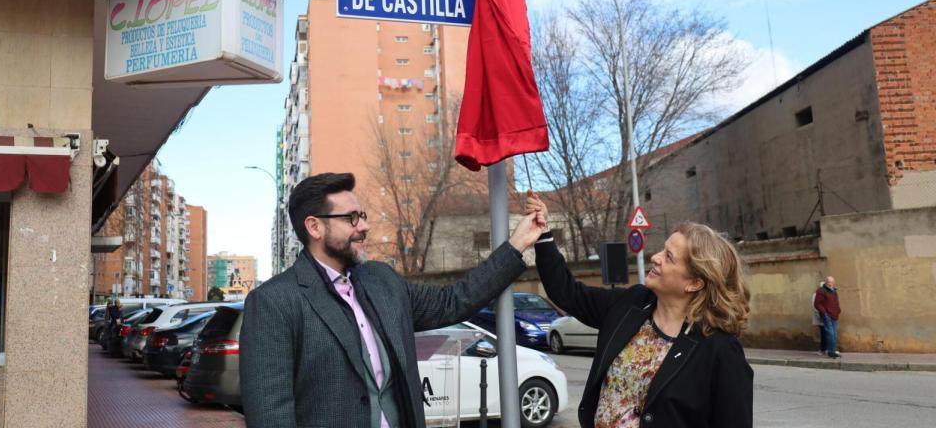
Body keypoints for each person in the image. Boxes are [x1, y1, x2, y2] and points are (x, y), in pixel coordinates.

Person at [240, 172, 546, 428]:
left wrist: (518, 243)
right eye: (351, 218)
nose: (364, 226)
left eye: (362, 216)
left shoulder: (381, 281)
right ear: (314, 226)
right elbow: (271, 416)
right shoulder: (273, 302)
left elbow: (455, 300)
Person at [530, 193, 753, 428]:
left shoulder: (719, 350)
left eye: (669, 257)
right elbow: (567, 293)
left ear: (695, 283)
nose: (655, 258)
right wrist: (544, 235)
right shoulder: (631, 304)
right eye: (662, 250)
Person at [814, 276, 841, 359]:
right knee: (830, 334)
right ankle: (831, 352)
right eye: (829, 282)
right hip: (827, 316)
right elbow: (817, 303)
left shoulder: (834, 291)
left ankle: (832, 351)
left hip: (834, 315)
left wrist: (838, 310)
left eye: (832, 282)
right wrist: (824, 313)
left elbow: (836, 302)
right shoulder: (821, 291)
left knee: (834, 334)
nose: (831, 284)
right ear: (826, 282)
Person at [810, 282, 825, 355]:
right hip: (821, 318)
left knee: (825, 334)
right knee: (824, 334)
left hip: (824, 318)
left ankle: (824, 349)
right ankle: (822, 349)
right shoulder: (816, 295)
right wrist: (821, 316)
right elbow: (815, 307)